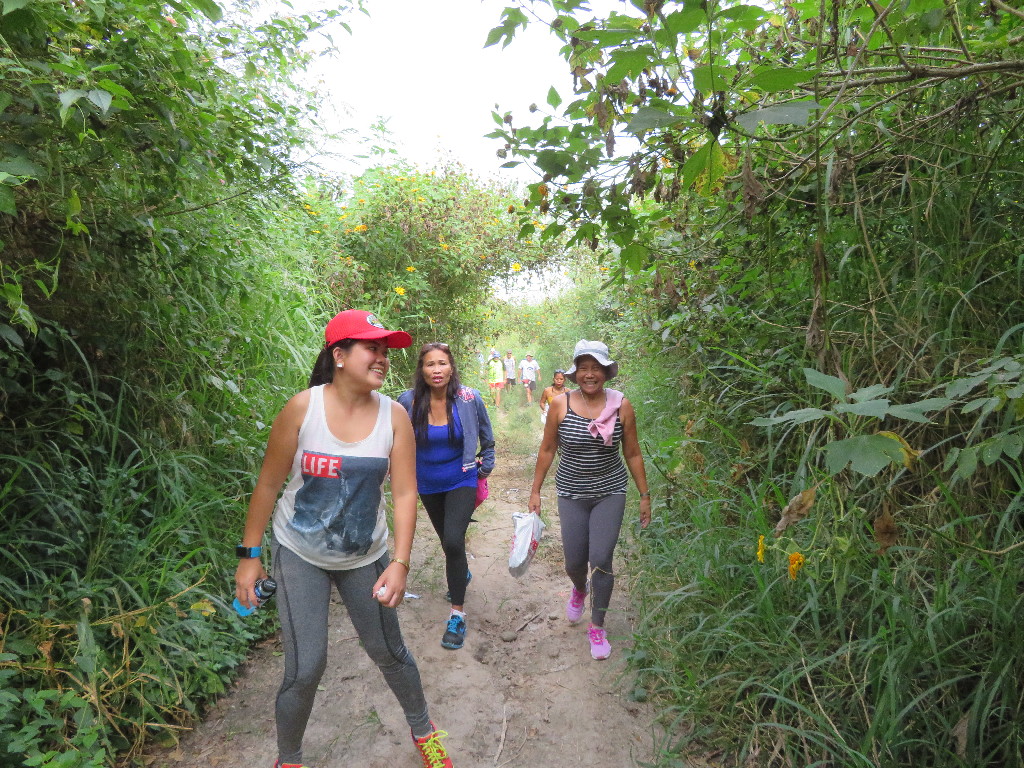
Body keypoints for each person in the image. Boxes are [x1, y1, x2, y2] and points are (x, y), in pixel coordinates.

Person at [234, 309, 454, 768]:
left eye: (385, 351)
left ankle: (425, 733)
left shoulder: (394, 416)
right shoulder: (303, 409)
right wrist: (249, 555)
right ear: (339, 355)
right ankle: (288, 759)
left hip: (365, 554)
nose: (382, 358)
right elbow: (269, 484)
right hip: (299, 551)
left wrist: (401, 562)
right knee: (305, 667)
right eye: (372, 348)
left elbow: (405, 492)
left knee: (389, 652)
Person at [528, 340, 651, 661]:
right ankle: (580, 589)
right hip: (571, 493)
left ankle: (597, 626)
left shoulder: (621, 405)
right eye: (583, 368)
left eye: (596, 368)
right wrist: (535, 490)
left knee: (600, 558)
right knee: (573, 562)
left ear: (606, 372)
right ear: (575, 373)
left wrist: (645, 495)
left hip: (610, 491)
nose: (590, 374)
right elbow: (547, 449)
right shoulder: (560, 404)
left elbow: (633, 453)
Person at [399, 343, 495, 651]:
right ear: (422, 370)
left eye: (442, 363)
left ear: (451, 368)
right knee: (447, 541)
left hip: (462, 477)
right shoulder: (407, 402)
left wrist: (484, 467)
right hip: (426, 483)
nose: (437, 369)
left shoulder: (469, 398)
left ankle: (457, 615)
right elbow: (395, 441)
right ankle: (460, 572)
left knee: (453, 540)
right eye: (430, 364)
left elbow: (487, 438)